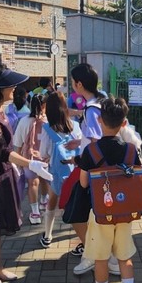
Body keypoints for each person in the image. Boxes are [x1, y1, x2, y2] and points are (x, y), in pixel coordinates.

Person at [0, 64, 51, 283]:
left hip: (1, 177)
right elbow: (3, 151)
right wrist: (30, 163)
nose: (14, 88)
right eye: (10, 85)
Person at [79, 98, 140, 283]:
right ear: (124, 123)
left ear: (99, 120)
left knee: (101, 258)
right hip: (125, 213)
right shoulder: (131, 150)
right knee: (125, 257)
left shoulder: (91, 151)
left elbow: (83, 183)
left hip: (100, 214)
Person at [63, 63, 105, 269]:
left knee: (74, 211)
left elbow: (97, 141)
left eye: (72, 82)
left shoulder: (91, 109)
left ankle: (92, 254)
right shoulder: (102, 100)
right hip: (101, 169)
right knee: (96, 215)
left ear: (79, 84)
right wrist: (79, 143)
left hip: (92, 170)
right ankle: (105, 257)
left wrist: (80, 160)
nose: (72, 85)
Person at [39, 91, 83, 250]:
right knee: (76, 204)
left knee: (52, 201)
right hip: (77, 172)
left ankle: (47, 235)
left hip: (57, 173)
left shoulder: (47, 129)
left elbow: (44, 153)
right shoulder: (76, 126)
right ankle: (84, 239)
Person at [12, 93, 48, 225]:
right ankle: (44, 201)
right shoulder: (49, 121)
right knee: (44, 180)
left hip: (29, 158)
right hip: (45, 157)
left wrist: (17, 161)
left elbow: (18, 143)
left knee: (33, 183)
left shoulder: (24, 121)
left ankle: (35, 212)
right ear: (44, 106)